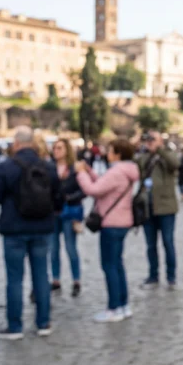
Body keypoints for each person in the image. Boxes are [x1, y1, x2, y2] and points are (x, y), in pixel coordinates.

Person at [0, 126, 61, 340]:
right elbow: (58, 197)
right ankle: (43, 322)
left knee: (15, 279)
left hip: (14, 228)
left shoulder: (7, 166)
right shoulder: (48, 166)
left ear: (17, 143)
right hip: (42, 227)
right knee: (41, 276)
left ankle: (15, 326)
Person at [75, 138, 140, 322]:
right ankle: (124, 305)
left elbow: (93, 190)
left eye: (110, 150)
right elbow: (106, 186)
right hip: (122, 222)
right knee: (118, 265)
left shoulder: (117, 172)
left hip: (111, 223)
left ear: (118, 153)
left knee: (109, 266)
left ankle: (113, 308)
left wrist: (81, 174)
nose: (106, 153)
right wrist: (90, 171)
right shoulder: (126, 171)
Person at [137, 130, 180, 289]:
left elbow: (174, 164)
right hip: (148, 208)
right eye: (148, 139)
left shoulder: (168, 153)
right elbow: (137, 168)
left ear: (161, 140)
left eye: (153, 139)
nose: (150, 142)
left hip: (166, 208)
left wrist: (160, 149)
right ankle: (153, 276)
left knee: (168, 243)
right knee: (150, 245)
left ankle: (171, 277)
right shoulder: (144, 157)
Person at [49, 138, 84, 297]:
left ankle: (76, 280)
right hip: (52, 213)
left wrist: (71, 197)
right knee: (53, 249)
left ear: (67, 150)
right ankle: (56, 280)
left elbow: (84, 189)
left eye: (60, 148)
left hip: (69, 212)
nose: (56, 151)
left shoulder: (75, 168)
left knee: (71, 248)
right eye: (55, 148)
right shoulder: (49, 168)